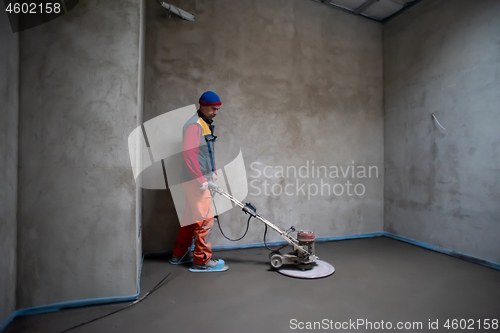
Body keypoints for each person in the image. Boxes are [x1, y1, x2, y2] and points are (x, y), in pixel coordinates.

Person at [169, 91, 228, 272]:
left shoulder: (205, 124)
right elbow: (189, 155)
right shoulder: (194, 125)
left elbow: (206, 151)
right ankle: (202, 261)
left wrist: (213, 171)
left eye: (217, 109)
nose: (216, 112)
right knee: (205, 221)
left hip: (197, 179)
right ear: (202, 105)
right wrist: (200, 179)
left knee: (189, 218)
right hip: (195, 181)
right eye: (213, 109)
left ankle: (179, 254)